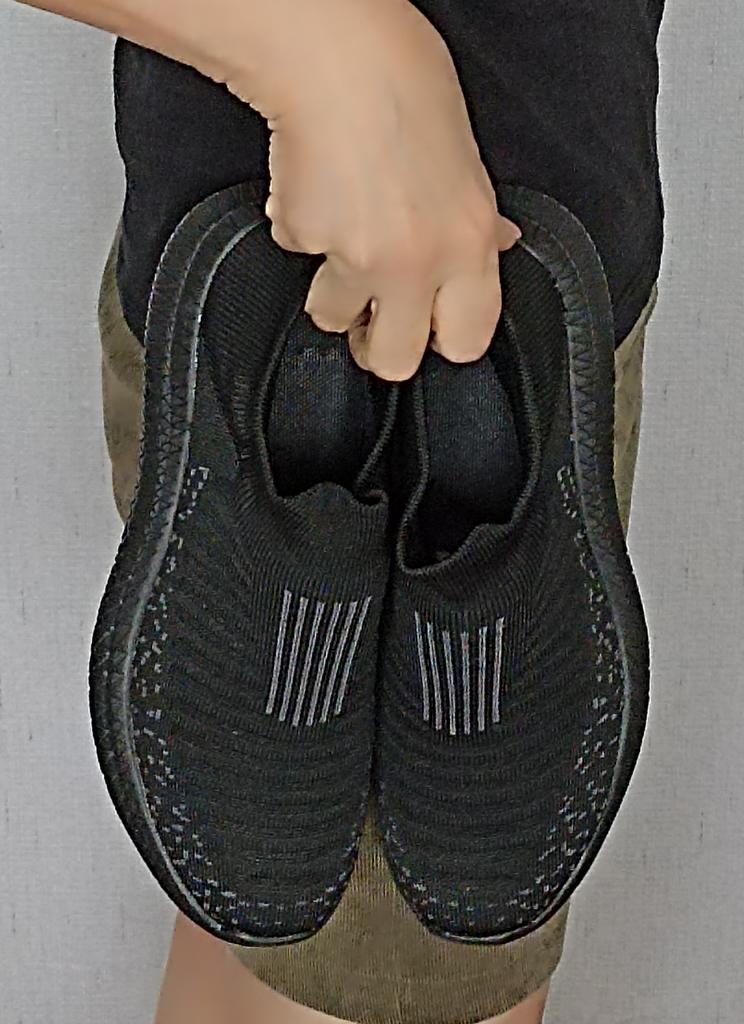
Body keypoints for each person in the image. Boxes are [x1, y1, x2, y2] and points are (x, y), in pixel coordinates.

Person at [15, 1, 666, 1021]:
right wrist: (321, 52)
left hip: (539, 321)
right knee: (364, 962)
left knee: (299, 921)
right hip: (272, 315)